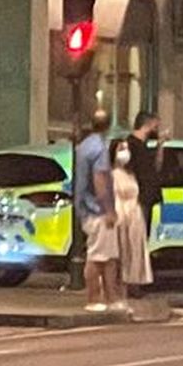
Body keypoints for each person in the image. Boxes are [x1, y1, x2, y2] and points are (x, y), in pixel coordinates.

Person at [74, 108, 122, 312]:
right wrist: (109, 209)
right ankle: (94, 298)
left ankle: (111, 298)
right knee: (97, 257)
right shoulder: (99, 149)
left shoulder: (84, 146)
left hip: (87, 208)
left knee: (108, 257)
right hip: (97, 211)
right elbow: (100, 180)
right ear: (109, 125)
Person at [112, 137, 153, 297]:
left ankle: (134, 282)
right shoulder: (111, 174)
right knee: (121, 249)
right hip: (120, 213)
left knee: (135, 249)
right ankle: (118, 283)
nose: (125, 152)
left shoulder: (130, 173)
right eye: (121, 149)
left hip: (134, 213)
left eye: (126, 149)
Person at [124, 110, 164, 225]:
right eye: (155, 127)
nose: (156, 131)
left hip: (146, 200)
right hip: (137, 201)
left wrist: (160, 146)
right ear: (147, 125)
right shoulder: (130, 146)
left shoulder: (145, 147)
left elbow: (156, 167)